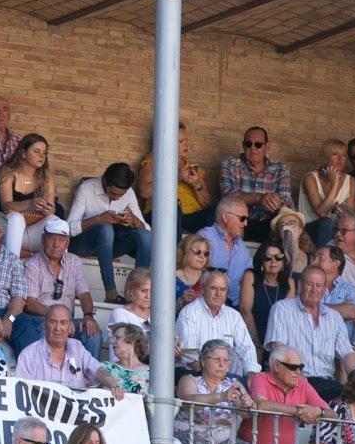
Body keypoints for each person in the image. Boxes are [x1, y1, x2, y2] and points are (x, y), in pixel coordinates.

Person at [265, 265, 355, 399]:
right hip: (293, 381)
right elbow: (278, 349)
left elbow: (347, 355)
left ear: (325, 290)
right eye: (309, 284)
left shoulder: (334, 317)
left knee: (351, 397)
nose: (314, 290)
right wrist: (298, 376)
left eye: (319, 286)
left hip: (326, 383)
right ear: (300, 285)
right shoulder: (282, 308)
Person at [13, 220, 101, 358]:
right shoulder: (33, 264)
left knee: (92, 331)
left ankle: (90, 376)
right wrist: (58, 318)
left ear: (67, 243)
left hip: (68, 322)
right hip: (41, 319)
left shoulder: (74, 262)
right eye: (52, 239)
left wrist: (88, 316)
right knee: (45, 329)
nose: (56, 244)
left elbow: (84, 294)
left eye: (61, 240)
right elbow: (30, 303)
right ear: (43, 239)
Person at [67, 164, 151, 304]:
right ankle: (110, 292)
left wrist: (135, 221)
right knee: (105, 228)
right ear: (105, 181)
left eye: (121, 195)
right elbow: (68, 229)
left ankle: (138, 292)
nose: (117, 198)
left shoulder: (129, 193)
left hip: (110, 247)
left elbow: (146, 230)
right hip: (84, 244)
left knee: (145, 236)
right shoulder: (87, 188)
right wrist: (99, 219)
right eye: (113, 194)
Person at [16, 303, 123, 397]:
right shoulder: (29, 355)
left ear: (70, 326)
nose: (58, 328)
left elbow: (98, 371)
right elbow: (21, 392)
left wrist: (114, 385)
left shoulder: (77, 347)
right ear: (45, 324)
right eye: (53, 322)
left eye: (63, 323)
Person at [175, 271, 259, 381]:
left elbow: (246, 349)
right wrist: (212, 378)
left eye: (223, 290)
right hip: (195, 374)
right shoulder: (189, 313)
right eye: (213, 289)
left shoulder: (234, 316)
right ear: (203, 288)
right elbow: (189, 355)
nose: (218, 294)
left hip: (227, 376)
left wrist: (251, 373)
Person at [137, 123, 212, 241]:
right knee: (173, 208)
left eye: (186, 140)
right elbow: (144, 192)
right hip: (162, 214)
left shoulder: (191, 167)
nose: (186, 144)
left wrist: (197, 184)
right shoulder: (153, 162)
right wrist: (175, 178)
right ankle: (174, 255)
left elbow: (206, 204)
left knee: (216, 212)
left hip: (190, 217)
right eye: (181, 141)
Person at [219, 130, 294, 244]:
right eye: (248, 144)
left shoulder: (280, 169)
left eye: (258, 144)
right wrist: (259, 198)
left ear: (267, 146)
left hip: (269, 222)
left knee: (288, 221)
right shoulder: (231, 164)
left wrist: (278, 202)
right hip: (240, 220)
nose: (253, 148)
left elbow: (288, 203)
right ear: (243, 146)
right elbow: (227, 197)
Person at [239, 244, 294, 358]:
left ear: (283, 262)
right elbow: (245, 311)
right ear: (261, 261)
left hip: (277, 338)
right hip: (252, 334)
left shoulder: (289, 282)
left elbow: (289, 317)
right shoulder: (251, 276)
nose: (273, 261)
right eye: (268, 257)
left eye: (278, 257)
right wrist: (256, 343)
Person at [300, 140, 355, 247]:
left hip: (336, 229)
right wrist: (335, 183)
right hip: (310, 230)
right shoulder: (310, 178)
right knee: (326, 223)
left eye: (344, 155)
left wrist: (342, 212)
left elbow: (349, 215)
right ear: (325, 158)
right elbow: (322, 213)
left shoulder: (351, 181)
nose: (340, 159)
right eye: (335, 154)